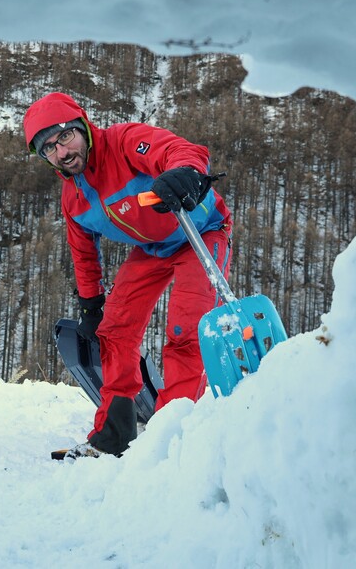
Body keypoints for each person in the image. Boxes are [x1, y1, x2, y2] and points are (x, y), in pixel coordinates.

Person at [23, 92, 232, 460]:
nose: (61, 152)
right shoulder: (73, 198)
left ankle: (171, 443)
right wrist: (91, 302)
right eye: (48, 149)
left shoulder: (121, 142)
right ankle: (113, 438)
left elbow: (175, 149)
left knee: (185, 332)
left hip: (201, 232)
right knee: (113, 332)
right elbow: (83, 252)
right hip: (152, 249)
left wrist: (184, 172)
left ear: (84, 127)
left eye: (65, 137)